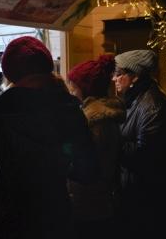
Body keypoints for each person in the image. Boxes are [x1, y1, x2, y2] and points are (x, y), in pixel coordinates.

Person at [0, 36, 98, 239]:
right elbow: (88, 171)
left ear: (10, 73)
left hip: (11, 219)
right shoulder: (70, 109)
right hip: (57, 216)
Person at [112, 49, 166, 239]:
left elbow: (144, 156)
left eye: (118, 73)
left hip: (154, 199)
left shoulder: (153, 106)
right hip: (141, 196)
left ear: (135, 76)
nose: (114, 78)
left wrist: (110, 142)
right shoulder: (134, 100)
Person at [66, 54, 125, 239]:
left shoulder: (95, 120)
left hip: (91, 199)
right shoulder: (102, 114)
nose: (72, 92)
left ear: (85, 88)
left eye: (74, 88)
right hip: (99, 197)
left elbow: (89, 163)